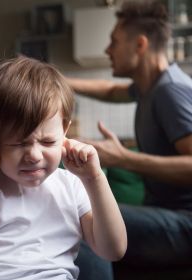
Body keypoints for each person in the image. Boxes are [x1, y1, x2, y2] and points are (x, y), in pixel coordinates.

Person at [0, 56, 127, 280]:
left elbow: (113, 249)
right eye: (19, 143)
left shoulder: (71, 185)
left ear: (64, 131)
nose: (34, 155)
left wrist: (95, 178)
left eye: (48, 142)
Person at [66, 0, 192, 279]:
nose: (107, 50)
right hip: (169, 216)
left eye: (114, 42)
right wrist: (59, 79)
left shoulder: (169, 92)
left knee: (83, 220)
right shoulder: (150, 87)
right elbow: (111, 90)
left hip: (185, 225)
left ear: (140, 45)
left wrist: (123, 158)